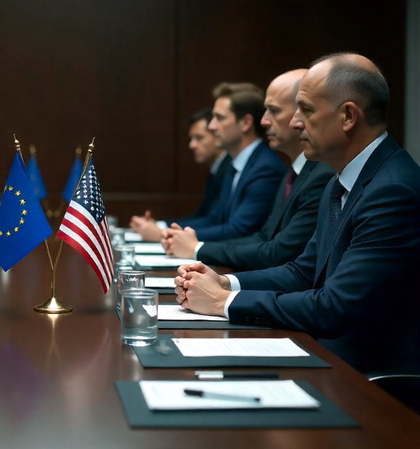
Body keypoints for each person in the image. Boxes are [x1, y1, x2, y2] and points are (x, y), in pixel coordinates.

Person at [176, 53, 420, 374]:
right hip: (328, 355)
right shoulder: (340, 180)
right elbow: (302, 273)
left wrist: (222, 302)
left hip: (366, 379)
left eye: (306, 109)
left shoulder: (392, 190)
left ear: (348, 116)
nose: (295, 122)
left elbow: (335, 307)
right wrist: (225, 282)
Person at [163, 69, 334, 270]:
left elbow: (273, 250)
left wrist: (197, 249)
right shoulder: (291, 172)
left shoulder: (278, 169)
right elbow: (262, 237)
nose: (264, 121)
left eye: (274, 111)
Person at [138, 83, 285, 242]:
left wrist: (165, 234)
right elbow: (214, 219)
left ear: (245, 123)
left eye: (219, 118)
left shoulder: (265, 168)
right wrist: (165, 229)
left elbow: (239, 230)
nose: (212, 126)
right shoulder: (236, 165)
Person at [129, 108, 232, 238]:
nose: (192, 145)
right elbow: (201, 215)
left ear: (217, 136)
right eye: (191, 138)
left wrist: (162, 232)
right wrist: (160, 225)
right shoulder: (217, 170)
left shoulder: (230, 169)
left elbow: (214, 221)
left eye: (199, 138)